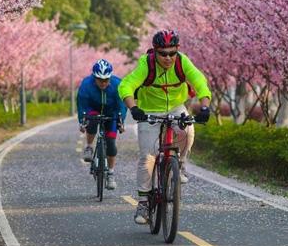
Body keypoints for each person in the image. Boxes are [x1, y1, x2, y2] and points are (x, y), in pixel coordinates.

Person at [118, 29, 211, 224]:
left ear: (177, 50)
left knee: (188, 130)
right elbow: (126, 85)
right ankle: (143, 202)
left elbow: (200, 81)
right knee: (148, 157)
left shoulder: (182, 62)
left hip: (176, 106)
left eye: (172, 53)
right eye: (163, 53)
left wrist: (205, 106)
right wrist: (133, 108)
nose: (168, 58)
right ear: (155, 51)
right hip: (149, 109)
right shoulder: (147, 64)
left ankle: (181, 164)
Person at [77, 59, 127, 190]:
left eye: (106, 80)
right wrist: (82, 121)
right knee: (91, 120)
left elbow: (122, 106)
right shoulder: (86, 85)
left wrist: (121, 121)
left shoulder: (117, 84)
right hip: (93, 109)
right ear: (94, 77)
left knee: (111, 143)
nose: (104, 83)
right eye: (100, 80)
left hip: (112, 112)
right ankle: (89, 146)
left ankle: (111, 173)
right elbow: (82, 105)